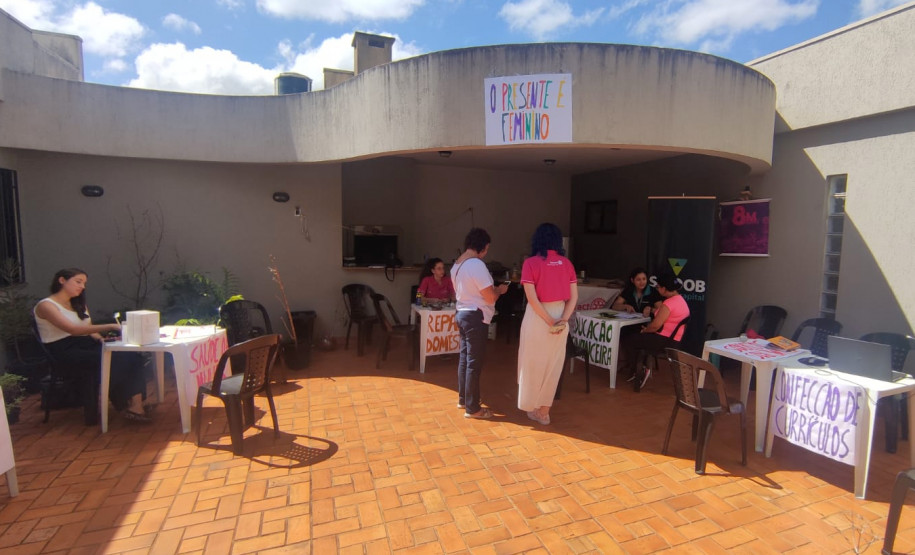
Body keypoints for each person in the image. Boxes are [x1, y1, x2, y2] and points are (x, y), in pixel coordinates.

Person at [33, 268, 152, 424]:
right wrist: (109, 326)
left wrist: (101, 340)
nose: (82, 287)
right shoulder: (46, 305)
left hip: (86, 344)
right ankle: (123, 402)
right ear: (62, 280)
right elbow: (73, 330)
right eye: (78, 282)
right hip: (64, 350)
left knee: (132, 355)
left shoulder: (77, 302)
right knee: (116, 360)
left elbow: (88, 328)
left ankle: (135, 405)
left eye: (84, 283)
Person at [517, 223, 578, 425]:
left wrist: (549, 320)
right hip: (560, 313)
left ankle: (531, 405)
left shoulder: (531, 263)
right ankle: (544, 411)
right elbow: (574, 297)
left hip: (538, 317)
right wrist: (562, 320)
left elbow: (532, 299)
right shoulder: (567, 264)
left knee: (533, 363)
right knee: (554, 365)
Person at [451, 228, 508, 419]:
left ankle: (463, 399)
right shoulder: (476, 265)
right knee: (474, 363)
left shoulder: (456, 265)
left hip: (462, 314)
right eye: (487, 248)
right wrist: (500, 290)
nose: (486, 252)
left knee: (465, 359)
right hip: (476, 317)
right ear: (481, 247)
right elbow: (490, 297)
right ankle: (473, 408)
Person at [622, 272, 690, 391]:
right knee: (638, 338)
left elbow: (655, 326)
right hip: (673, 340)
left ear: (664, 288)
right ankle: (640, 367)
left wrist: (645, 330)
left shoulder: (668, 304)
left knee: (629, 339)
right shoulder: (680, 300)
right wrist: (653, 310)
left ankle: (641, 369)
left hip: (663, 341)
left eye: (658, 287)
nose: (657, 289)